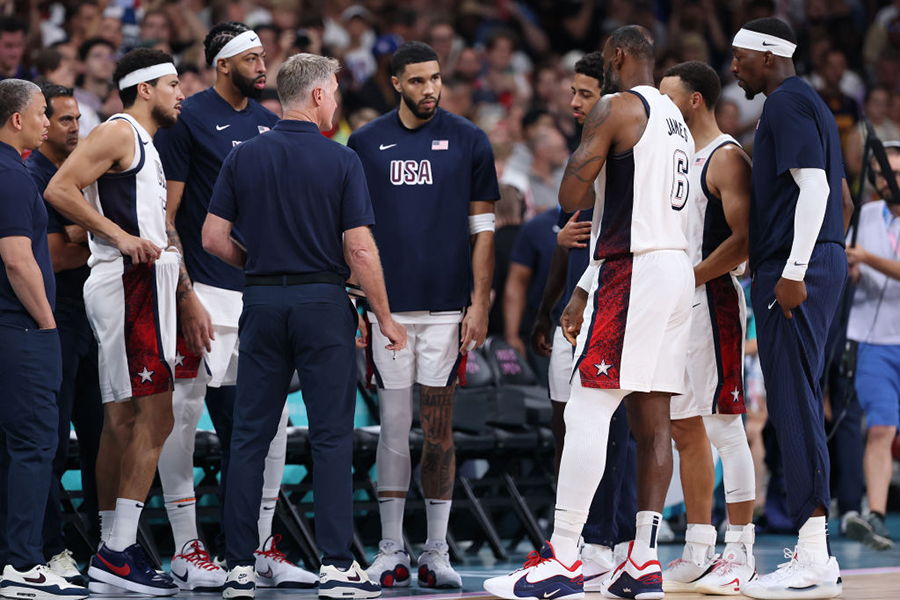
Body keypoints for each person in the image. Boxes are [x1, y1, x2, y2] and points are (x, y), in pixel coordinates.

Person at [485, 25, 694, 600]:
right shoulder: (674, 118)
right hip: (672, 270)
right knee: (653, 419)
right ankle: (643, 560)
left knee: (586, 410)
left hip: (637, 270)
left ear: (618, 57)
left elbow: (571, 199)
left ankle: (567, 557)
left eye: (605, 62)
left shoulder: (615, 107)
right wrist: (582, 290)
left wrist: (588, 150)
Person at [203, 52, 405, 600]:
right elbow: (359, 249)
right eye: (335, 92)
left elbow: (213, 239)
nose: (337, 101)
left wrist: (265, 266)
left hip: (262, 304)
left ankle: (239, 567)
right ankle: (337, 567)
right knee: (332, 437)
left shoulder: (243, 156)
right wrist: (384, 315)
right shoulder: (340, 160)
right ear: (317, 96)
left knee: (247, 438)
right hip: (322, 304)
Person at [153, 21, 314, 590]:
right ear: (223, 64)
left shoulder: (272, 123)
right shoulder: (188, 118)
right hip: (203, 291)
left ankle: (260, 543)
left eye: (264, 56)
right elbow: (166, 218)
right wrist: (186, 291)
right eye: (251, 57)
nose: (263, 66)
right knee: (184, 412)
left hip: (259, 291)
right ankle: (186, 546)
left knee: (272, 421)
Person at [347, 41, 498, 589]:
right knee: (392, 427)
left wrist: (480, 303)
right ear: (395, 83)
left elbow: (483, 231)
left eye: (435, 79)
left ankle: (436, 549)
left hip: (445, 311)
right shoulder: (364, 143)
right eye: (417, 81)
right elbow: (353, 234)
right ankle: (390, 548)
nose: (429, 88)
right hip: (386, 310)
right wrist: (361, 305)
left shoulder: (470, 140)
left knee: (438, 430)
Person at [44, 48, 185, 596]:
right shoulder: (120, 130)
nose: (180, 94)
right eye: (172, 84)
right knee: (156, 416)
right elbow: (59, 188)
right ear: (145, 87)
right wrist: (117, 235)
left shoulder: (143, 142)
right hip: (130, 284)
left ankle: (113, 547)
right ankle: (118, 551)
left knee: (124, 420)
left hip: (143, 285)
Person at [730, 17, 854, 599]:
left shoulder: (784, 103)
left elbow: (820, 191)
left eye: (740, 58)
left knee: (794, 399)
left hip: (794, 270)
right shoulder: (816, 106)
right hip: (811, 263)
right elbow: (844, 197)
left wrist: (797, 268)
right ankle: (816, 552)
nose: (734, 68)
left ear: (766, 56)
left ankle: (812, 554)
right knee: (796, 396)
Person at [530, 51, 638, 589]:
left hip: (611, 310)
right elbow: (565, 242)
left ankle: (612, 542)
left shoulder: (625, 156)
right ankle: (569, 539)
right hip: (569, 315)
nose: (574, 103)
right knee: (567, 432)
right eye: (572, 93)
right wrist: (547, 310)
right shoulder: (585, 152)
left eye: (585, 94)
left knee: (614, 429)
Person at [658, 61, 758, 594]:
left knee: (723, 426)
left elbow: (744, 240)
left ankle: (739, 548)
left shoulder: (725, 157)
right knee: (683, 426)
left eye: (669, 97)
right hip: (678, 305)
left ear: (694, 100)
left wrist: (688, 279)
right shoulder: (677, 158)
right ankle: (698, 550)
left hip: (712, 300)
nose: (661, 106)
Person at [0, 78, 87, 600]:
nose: (44, 120)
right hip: (22, 326)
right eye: (39, 113)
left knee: (12, 448)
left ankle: (13, 558)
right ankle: (24, 564)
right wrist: (48, 323)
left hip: (9, 326)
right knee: (33, 445)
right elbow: (17, 257)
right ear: (17, 119)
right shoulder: (12, 175)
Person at [25, 83, 103, 586]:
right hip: (53, 318)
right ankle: (50, 549)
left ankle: (106, 546)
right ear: (43, 123)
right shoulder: (33, 176)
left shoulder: (80, 174)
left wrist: (85, 235)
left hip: (92, 316)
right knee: (51, 444)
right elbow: (51, 257)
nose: (77, 128)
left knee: (102, 439)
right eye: (67, 120)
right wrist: (102, 239)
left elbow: (78, 242)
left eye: (79, 119)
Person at [843, 143, 900, 551]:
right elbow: (852, 264)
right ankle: (875, 516)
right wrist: (853, 267)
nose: (887, 179)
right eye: (882, 173)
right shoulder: (862, 217)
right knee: (879, 428)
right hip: (872, 340)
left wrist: (868, 258)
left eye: (895, 172)